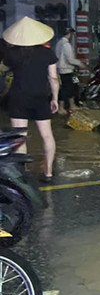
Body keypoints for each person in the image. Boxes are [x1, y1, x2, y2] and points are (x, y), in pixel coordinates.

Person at [1, 17, 60, 182]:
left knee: (20, 136)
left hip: (18, 97)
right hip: (40, 97)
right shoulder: (47, 53)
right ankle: (48, 172)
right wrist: (55, 98)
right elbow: (53, 78)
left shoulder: (11, 54)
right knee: (47, 135)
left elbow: (3, 68)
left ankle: (23, 173)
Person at [54, 27, 84, 117]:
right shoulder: (66, 44)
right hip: (66, 69)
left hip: (61, 69)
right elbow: (70, 59)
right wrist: (80, 64)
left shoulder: (59, 43)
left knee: (67, 87)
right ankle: (63, 107)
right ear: (70, 34)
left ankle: (71, 105)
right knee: (67, 88)